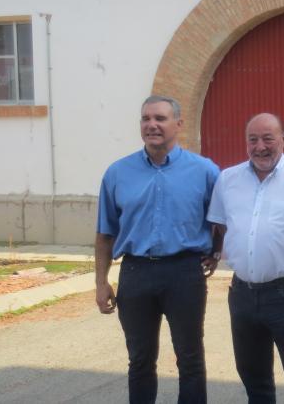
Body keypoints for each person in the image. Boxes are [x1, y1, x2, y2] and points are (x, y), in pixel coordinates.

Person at [94, 95, 220, 404]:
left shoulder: (205, 172)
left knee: (190, 358)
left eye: (160, 118)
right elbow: (105, 233)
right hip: (135, 273)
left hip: (184, 274)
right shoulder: (117, 173)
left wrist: (216, 251)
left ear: (178, 124)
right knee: (139, 360)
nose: (152, 125)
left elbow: (224, 219)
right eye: (146, 119)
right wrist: (101, 282)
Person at [206, 113, 284, 404]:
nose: (260, 146)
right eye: (253, 139)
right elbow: (221, 224)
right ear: (246, 143)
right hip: (242, 293)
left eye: (268, 138)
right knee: (253, 377)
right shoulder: (228, 179)